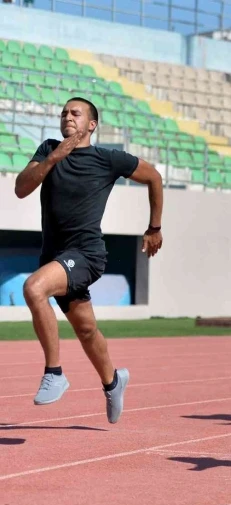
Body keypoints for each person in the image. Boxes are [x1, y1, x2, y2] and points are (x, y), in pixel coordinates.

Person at [14, 97, 164, 424]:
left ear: (91, 124)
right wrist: (53, 158)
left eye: (75, 113)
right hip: (55, 255)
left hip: (87, 254)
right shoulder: (47, 150)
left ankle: (54, 373)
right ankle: (113, 381)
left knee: (34, 288)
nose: (67, 116)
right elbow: (21, 189)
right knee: (85, 329)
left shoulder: (107, 159)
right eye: (64, 112)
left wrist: (154, 227)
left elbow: (153, 176)